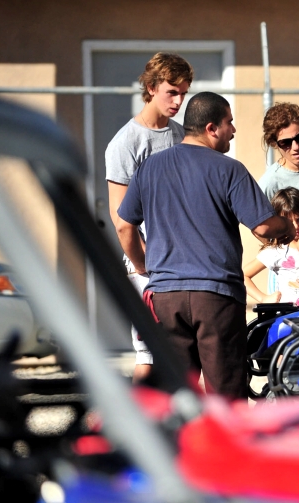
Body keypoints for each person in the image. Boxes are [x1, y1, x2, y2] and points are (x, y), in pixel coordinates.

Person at [116, 92, 295, 398]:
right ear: (212, 128)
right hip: (216, 299)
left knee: (175, 397)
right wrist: (287, 227)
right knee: (225, 397)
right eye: (229, 123)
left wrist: (143, 266)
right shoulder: (229, 169)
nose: (234, 130)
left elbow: (123, 225)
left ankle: (173, 446)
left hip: (166, 298)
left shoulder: (150, 168)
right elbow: (263, 227)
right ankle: (226, 447)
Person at [104, 52, 193, 383]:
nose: (179, 100)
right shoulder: (125, 144)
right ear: (153, 87)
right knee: (149, 356)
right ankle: (129, 427)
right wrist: (142, 266)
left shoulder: (183, 135)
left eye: (184, 92)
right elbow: (120, 218)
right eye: (172, 91)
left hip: (185, 261)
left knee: (186, 354)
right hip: (149, 265)